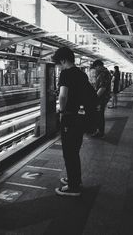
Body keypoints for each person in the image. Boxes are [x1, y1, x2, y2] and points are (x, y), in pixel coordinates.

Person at [53, 46, 88, 197]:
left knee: (69, 152)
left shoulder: (65, 73)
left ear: (63, 61)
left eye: (58, 64)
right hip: (81, 117)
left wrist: (61, 111)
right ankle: (75, 179)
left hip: (70, 117)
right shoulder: (82, 74)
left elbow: (62, 96)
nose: (58, 67)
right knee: (75, 150)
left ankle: (73, 187)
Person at [91, 60, 111, 138]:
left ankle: (100, 132)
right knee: (99, 114)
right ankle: (98, 131)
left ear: (98, 66)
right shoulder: (104, 72)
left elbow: (102, 88)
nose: (95, 69)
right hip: (102, 97)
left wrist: (94, 98)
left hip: (101, 98)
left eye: (96, 68)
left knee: (99, 114)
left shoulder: (104, 73)